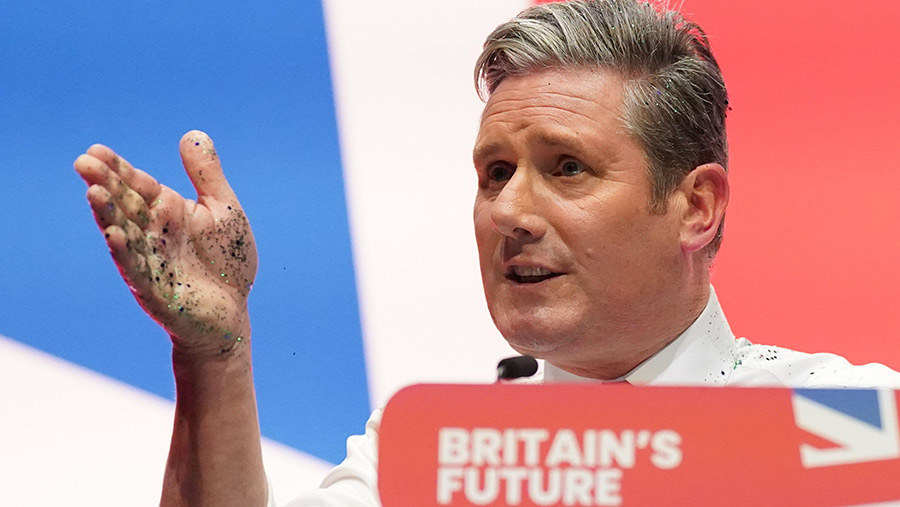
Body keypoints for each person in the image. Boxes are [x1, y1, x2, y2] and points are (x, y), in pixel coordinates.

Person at [74, 0, 900, 505]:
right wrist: (214, 354)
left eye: (566, 168)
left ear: (696, 205)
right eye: (495, 173)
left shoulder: (851, 428)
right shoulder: (438, 456)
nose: (509, 210)